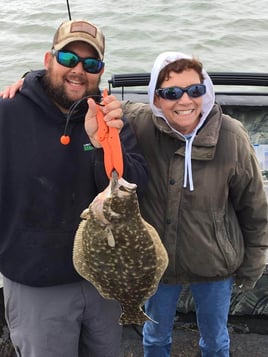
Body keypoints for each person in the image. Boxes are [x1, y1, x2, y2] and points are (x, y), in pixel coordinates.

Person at [3, 52, 268, 357]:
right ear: (156, 97)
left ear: (206, 91)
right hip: (159, 269)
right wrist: (30, 83)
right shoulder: (140, 120)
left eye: (195, 90)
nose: (184, 101)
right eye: (170, 93)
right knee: (154, 338)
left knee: (216, 340)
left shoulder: (232, 135)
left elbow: (254, 207)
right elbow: (82, 93)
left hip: (214, 265)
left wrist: (252, 264)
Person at [0, 19, 147, 357]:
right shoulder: (8, 112)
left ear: (101, 71)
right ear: (48, 59)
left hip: (103, 281)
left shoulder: (110, 116)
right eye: (68, 59)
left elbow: (139, 183)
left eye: (91, 64)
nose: (78, 70)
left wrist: (103, 144)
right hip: (37, 281)